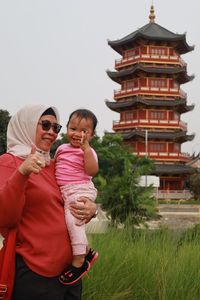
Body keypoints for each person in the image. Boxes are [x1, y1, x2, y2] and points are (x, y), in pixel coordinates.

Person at [0, 104, 97, 300]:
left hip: (69, 273)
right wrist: (22, 173)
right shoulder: (9, 162)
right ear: (26, 125)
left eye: (56, 128)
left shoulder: (54, 164)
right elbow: (5, 217)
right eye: (45, 125)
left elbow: (69, 201)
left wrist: (91, 209)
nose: (52, 132)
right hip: (35, 272)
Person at [55, 109, 99, 285]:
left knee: (73, 220)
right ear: (66, 128)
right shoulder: (61, 148)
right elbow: (55, 166)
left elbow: (92, 171)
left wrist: (86, 149)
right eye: (73, 128)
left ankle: (79, 260)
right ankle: (87, 251)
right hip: (66, 190)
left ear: (92, 135)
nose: (77, 134)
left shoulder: (88, 152)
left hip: (80, 190)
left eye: (84, 131)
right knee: (71, 222)